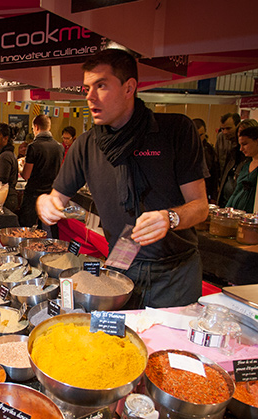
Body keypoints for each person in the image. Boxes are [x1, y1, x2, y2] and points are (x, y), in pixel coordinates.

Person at [36, 49, 209, 309]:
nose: (90, 97)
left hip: (177, 270)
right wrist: (44, 203)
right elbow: (55, 198)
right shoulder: (86, 145)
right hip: (122, 265)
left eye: (101, 86)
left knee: (171, 349)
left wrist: (170, 218)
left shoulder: (175, 130)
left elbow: (200, 206)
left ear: (129, 88)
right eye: (87, 89)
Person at [18, 114, 64, 228]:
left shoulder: (34, 147)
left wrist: (20, 166)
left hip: (33, 196)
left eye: (33, 129)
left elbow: (26, 175)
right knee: (49, 232)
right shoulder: (59, 147)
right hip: (51, 196)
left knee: (26, 230)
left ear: (36, 127)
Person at [216, 112, 245, 206]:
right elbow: (217, 162)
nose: (225, 132)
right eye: (222, 129)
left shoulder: (242, 145)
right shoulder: (221, 138)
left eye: (228, 128)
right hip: (223, 185)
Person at [192, 118, 219, 203]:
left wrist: (214, 196)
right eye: (196, 135)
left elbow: (214, 173)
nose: (198, 139)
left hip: (205, 189)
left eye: (201, 135)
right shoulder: (183, 149)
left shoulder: (209, 149)